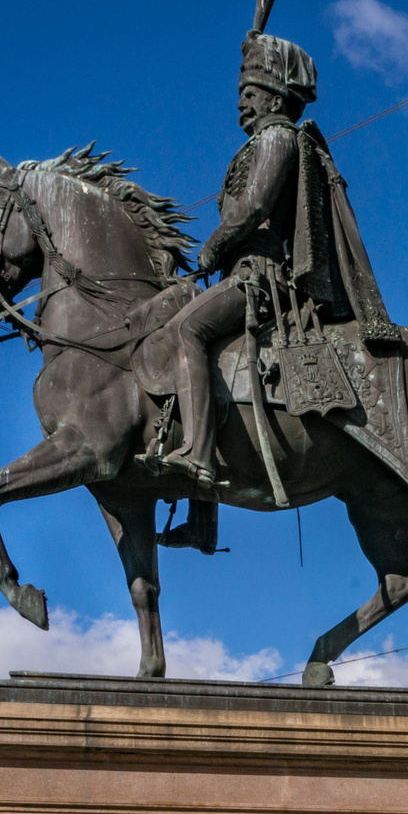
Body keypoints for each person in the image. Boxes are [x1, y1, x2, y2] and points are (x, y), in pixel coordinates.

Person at [159, 32, 316, 489]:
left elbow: (254, 207)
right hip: (241, 273)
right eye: (240, 96)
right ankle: (203, 514)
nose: (240, 106)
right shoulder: (256, 144)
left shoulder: (278, 137)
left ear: (272, 95)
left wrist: (211, 249)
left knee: (187, 330)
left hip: (261, 278)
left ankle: (199, 453)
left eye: (248, 95)